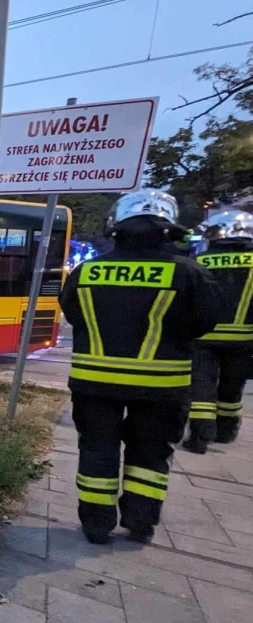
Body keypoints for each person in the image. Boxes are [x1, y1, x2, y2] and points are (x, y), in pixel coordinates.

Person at [58, 188, 222, 545]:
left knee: (97, 451)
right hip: (161, 385)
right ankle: (140, 521)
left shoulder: (88, 272)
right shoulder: (189, 273)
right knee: (150, 454)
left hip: (95, 382)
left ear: (117, 227)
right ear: (168, 228)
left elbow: (72, 313)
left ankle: (96, 525)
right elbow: (206, 323)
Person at [183, 211, 253, 453]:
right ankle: (226, 431)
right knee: (232, 390)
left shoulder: (200, 261)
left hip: (203, 337)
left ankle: (200, 437)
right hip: (244, 339)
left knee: (201, 389)